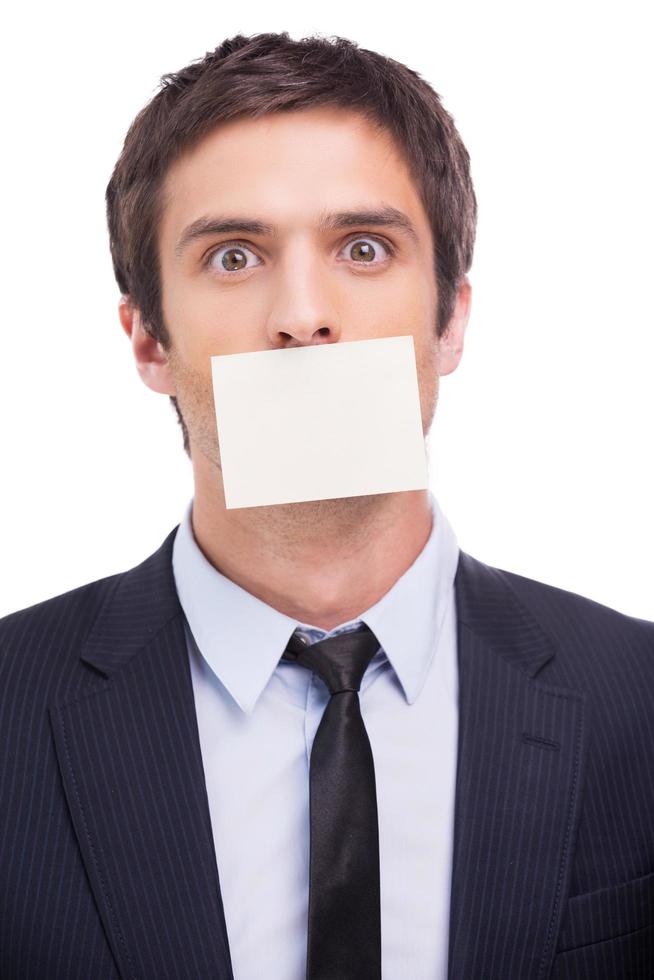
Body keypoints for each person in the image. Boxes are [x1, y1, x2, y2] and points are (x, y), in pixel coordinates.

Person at [1, 31, 652, 980]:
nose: (303, 314)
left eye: (363, 246)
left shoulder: (639, 700)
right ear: (147, 340)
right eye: (233, 256)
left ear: (452, 318)